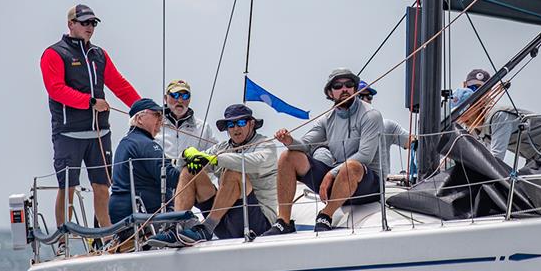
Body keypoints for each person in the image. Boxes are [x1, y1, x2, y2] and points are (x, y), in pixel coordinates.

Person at [41, 4, 141, 231]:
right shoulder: (54, 54)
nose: (90, 27)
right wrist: (91, 102)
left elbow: (120, 85)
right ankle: (63, 238)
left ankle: (105, 237)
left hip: (99, 132)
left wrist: (142, 108)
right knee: (68, 187)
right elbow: (56, 89)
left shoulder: (99, 55)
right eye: (84, 22)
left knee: (102, 186)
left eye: (93, 23)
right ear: (71, 24)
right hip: (68, 133)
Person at [263, 68, 383, 235]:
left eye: (349, 84)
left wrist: (331, 174)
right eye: (338, 86)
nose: (344, 89)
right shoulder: (327, 119)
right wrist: (289, 141)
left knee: (352, 166)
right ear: (330, 92)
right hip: (340, 180)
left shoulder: (371, 115)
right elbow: (305, 146)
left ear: (355, 89)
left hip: (368, 185)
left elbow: (365, 156)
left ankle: (326, 214)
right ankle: (283, 221)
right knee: (287, 157)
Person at [148, 104, 277, 245]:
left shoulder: (266, 144)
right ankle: (176, 227)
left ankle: (206, 227)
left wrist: (215, 159)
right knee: (190, 169)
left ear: (251, 124)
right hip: (223, 223)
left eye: (241, 122)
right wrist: (186, 154)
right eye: (231, 124)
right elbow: (181, 165)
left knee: (233, 172)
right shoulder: (222, 148)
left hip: (258, 224)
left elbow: (256, 163)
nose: (236, 128)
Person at [108, 98, 181, 225]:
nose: (161, 120)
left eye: (162, 116)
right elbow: (171, 178)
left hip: (123, 217)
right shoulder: (145, 144)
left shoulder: (126, 143)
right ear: (139, 119)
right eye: (156, 115)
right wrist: (189, 170)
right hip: (145, 219)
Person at [154, 79, 218, 214]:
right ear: (166, 98)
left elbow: (215, 156)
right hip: (160, 187)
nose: (180, 100)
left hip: (193, 187)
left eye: (185, 96)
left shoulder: (203, 127)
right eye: (175, 95)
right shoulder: (155, 125)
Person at [355, 80, 413, 176]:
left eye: (369, 96)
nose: (365, 100)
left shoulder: (386, 126)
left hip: (380, 186)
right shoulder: (340, 129)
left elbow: (415, 143)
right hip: (350, 183)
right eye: (360, 97)